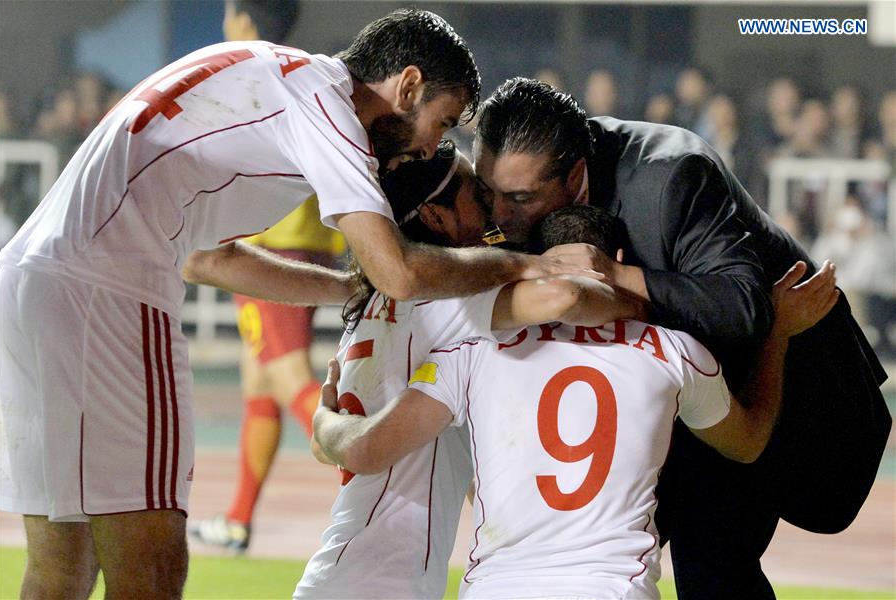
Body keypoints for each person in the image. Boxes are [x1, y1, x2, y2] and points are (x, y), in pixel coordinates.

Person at [0, 14, 590, 598]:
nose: (433, 145)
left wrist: (344, 290)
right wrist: (526, 263)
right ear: (408, 86)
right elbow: (401, 273)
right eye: (442, 122)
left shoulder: (272, 75)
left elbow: (210, 261)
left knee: (61, 568)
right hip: (110, 290)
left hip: (31, 278)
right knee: (150, 571)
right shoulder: (328, 107)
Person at [471, 78, 891, 598]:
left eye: (519, 198)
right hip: (676, 382)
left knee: (709, 557)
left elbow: (742, 306)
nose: (498, 215)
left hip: (782, 368)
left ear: (577, 175)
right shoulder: (507, 190)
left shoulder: (671, 175)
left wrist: (617, 276)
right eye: (488, 191)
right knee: (596, 540)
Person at [312, 205, 840, 599]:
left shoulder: (471, 352)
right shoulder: (674, 352)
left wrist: (324, 423)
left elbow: (363, 451)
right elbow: (748, 444)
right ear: (616, 261)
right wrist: (779, 335)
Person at [295, 145, 641, 599]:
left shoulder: (373, 305)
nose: (493, 207)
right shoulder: (447, 303)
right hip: (380, 584)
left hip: (344, 573)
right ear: (438, 218)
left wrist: (325, 428)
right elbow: (561, 297)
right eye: (476, 193)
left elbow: (341, 448)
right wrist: (644, 297)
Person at [187, 0, 347, 554]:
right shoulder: (306, 72)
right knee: (258, 384)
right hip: (308, 244)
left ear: (244, 19)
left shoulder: (243, 72)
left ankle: (369, 478)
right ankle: (237, 521)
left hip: (267, 252)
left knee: (286, 378)